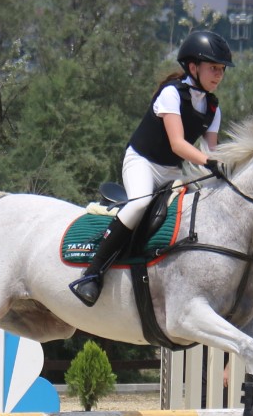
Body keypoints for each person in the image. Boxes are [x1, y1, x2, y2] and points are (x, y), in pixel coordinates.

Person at [69, 30, 234, 306]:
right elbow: (179, 144)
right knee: (139, 204)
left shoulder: (213, 108)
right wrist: (209, 162)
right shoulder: (171, 93)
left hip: (172, 171)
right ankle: (91, 274)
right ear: (193, 67)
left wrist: (221, 170)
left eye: (221, 70)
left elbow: (210, 152)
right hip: (142, 162)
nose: (218, 74)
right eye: (213, 68)